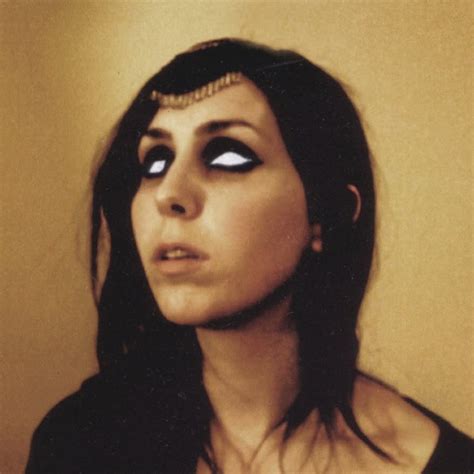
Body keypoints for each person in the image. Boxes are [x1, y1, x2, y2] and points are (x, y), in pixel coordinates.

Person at [26, 38, 472, 473]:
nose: (169, 193)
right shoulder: (79, 441)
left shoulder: (445, 463)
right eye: (156, 161)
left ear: (327, 214)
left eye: (228, 157)